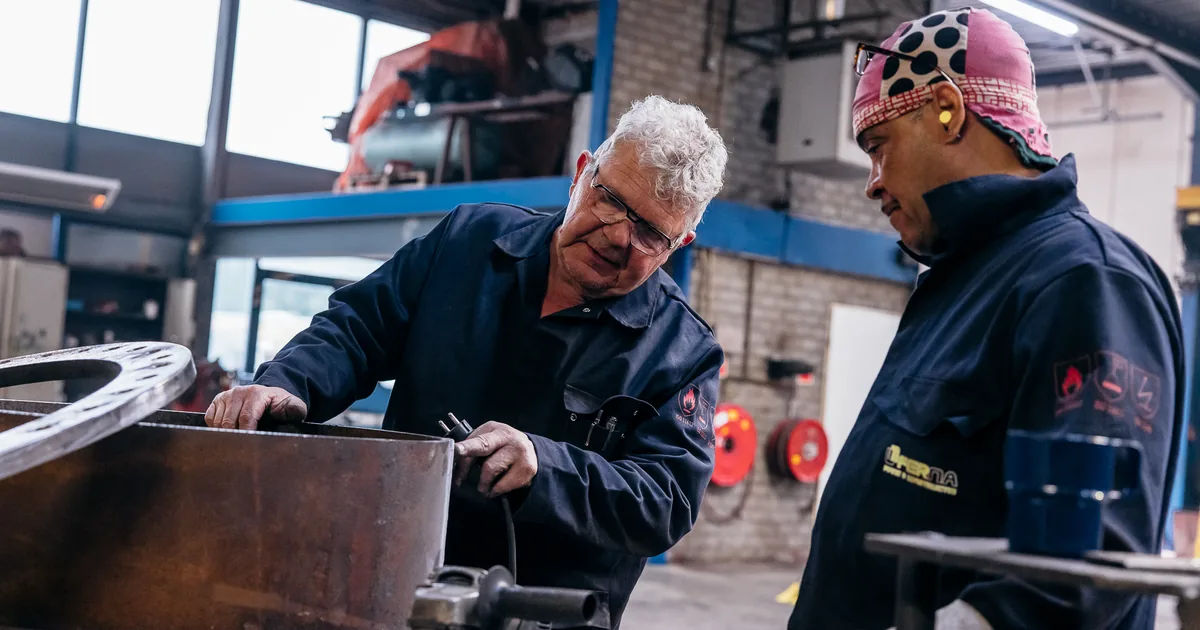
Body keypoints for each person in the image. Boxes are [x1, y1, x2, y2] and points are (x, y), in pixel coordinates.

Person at [205, 95, 728, 629]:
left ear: (678, 244)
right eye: (611, 198)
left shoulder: (683, 351)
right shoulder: (467, 242)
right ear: (581, 174)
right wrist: (290, 382)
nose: (618, 235)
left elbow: (665, 499)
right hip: (400, 585)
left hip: (545, 613)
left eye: (649, 233)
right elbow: (356, 329)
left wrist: (545, 468)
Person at [789, 8, 1184, 630]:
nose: (873, 183)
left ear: (947, 110)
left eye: (879, 146)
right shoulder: (967, 281)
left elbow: (1082, 571)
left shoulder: (1083, 281)